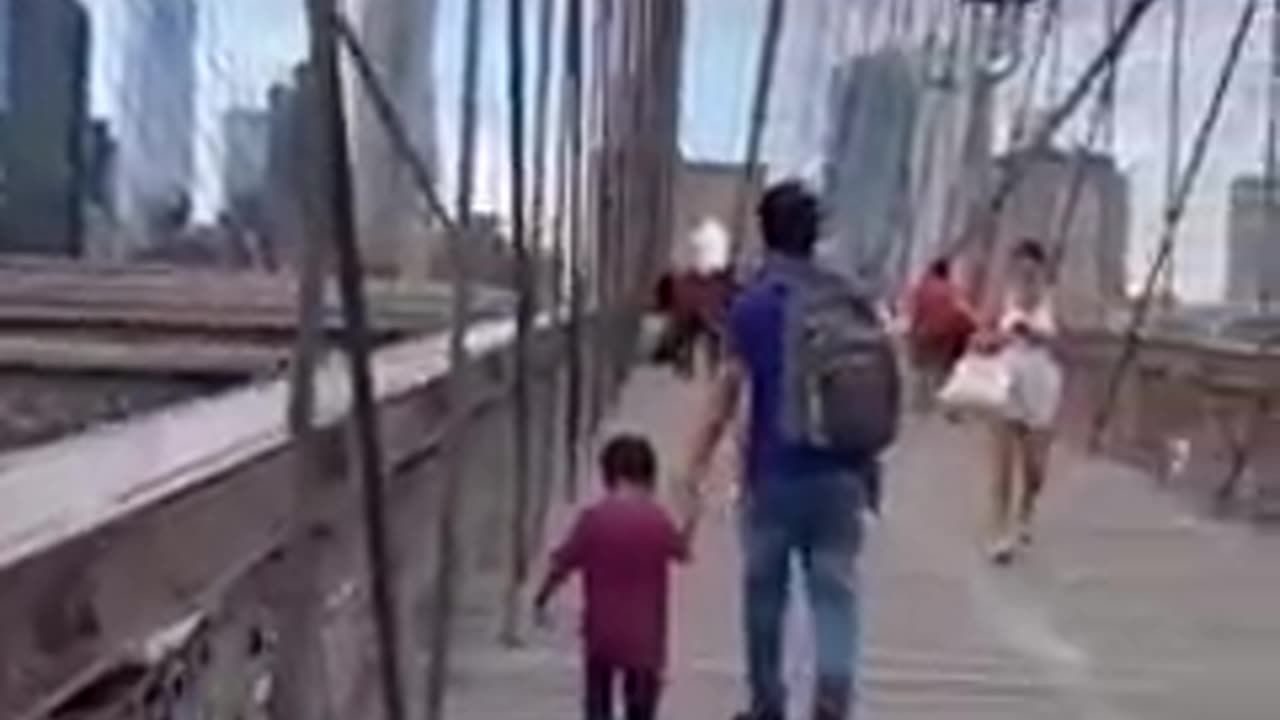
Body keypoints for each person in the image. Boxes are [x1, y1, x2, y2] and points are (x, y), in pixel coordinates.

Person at [682, 181, 886, 720]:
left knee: (765, 599)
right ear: (813, 235)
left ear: (764, 231)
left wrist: (693, 466)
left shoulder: (755, 304)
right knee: (835, 594)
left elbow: (728, 391)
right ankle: (832, 702)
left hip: (775, 474)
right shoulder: (848, 298)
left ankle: (768, 704)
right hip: (845, 474)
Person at [535, 434, 694, 720]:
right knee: (641, 705)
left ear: (607, 475)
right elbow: (682, 553)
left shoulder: (593, 519)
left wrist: (542, 597)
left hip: (601, 634)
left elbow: (562, 563)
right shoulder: (656, 520)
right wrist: (691, 515)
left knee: (598, 700)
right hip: (646, 639)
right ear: (650, 477)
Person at [975, 238, 1062, 564]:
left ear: (1040, 268)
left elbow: (1065, 342)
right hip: (1006, 381)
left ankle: (1026, 511)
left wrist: (1038, 334)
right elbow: (982, 334)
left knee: (1035, 468)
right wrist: (994, 339)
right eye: (1018, 266)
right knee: (1002, 465)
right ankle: (1000, 534)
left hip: (1041, 385)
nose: (1024, 273)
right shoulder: (1001, 299)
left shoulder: (1055, 300)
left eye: (1031, 267)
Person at [906, 258, 975, 411]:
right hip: (946, 336)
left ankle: (920, 401)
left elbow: (916, 311)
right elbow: (961, 311)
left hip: (925, 332)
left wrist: (912, 332)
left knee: (921, 368)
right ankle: (938, 400)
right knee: (939, 368)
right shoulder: (953, 289)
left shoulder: (923, 287)